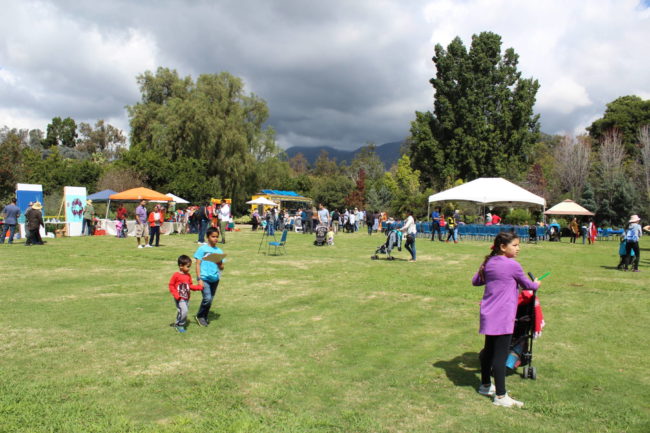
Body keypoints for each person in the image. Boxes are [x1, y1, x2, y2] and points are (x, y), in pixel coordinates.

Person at [472, 232, 540, 408]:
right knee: (499, 357)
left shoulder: (489, 262)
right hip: (502, 315)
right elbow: (528, 285)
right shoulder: (512, 265)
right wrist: (537, 284)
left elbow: (476, 281)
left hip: (488, 314)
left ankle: (486, 385)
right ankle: (501, 396)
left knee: (488, 351)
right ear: (503, 247)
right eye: (515, 245)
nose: (518, 248)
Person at [194, 227, 225, 327]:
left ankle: (204, 315)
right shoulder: (202, 249)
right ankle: (200, 316)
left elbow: (222, 268)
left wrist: (220, 263)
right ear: (208, 237)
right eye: (213, 236)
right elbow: (197, 264)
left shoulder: (219, 251)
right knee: (207, 298)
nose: (215, 239)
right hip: (204, 278)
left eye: (217, 237)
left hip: (215, 279)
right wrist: (199, 278)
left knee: (210, 299)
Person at [168, 255, 203, 333]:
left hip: (186, 297)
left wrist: (199, 287)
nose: (189, 268)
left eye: (190, 266)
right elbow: (171, 285)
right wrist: (176, 295)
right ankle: (180, 325)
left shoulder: (188, 275)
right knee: (184, 311)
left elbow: (190, 285)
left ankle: (177, 323)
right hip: (179, 298)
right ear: (181, 266)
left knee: (182, 311)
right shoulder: (176, 275)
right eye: (187, 266)